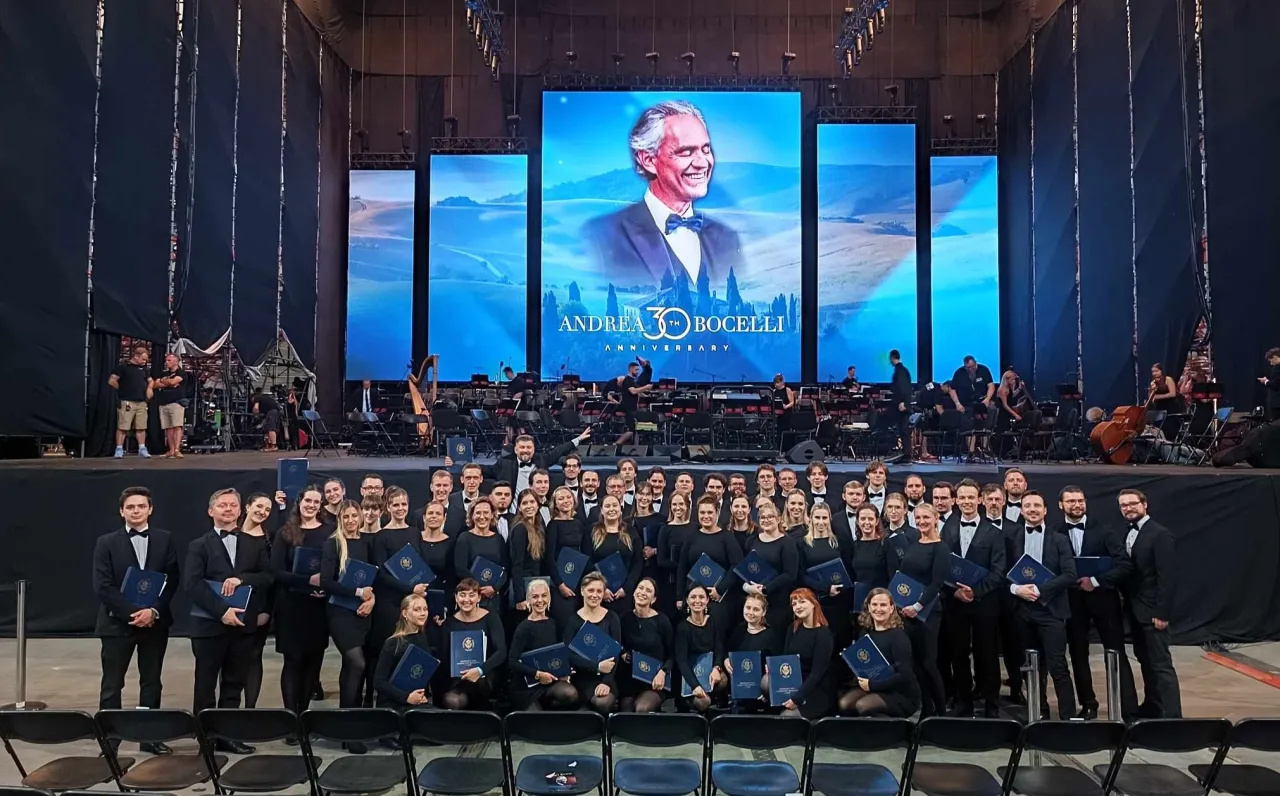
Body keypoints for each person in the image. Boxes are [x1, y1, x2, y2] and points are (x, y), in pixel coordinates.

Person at [583, 99, 744, 289]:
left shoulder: (727, 238)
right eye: (686, 152)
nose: (702, 163)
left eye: (706, 149)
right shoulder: (600, 236)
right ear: (648, 160)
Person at [183, 488, 272, 750]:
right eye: (222, 505)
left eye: (233, 505)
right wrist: (222, 611)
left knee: (234, 684)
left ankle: (228, 735)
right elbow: (192, 585)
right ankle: (206, 738)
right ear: (211, 511)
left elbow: (268, 577)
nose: (228, 509)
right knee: (206, 684)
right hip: (209, 626)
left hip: (243, 626)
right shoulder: (198, 545)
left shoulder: (254, 542)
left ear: (240, 510)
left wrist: (243, 579)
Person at [93, 487, 180, 753]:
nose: (136, 511)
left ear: (150, 509)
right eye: (130, 507)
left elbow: (171, 579)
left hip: (154, 622)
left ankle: (148, 736)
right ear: (122, 511)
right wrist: (132, 612)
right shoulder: (106, 542)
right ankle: (110, 739)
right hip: (116, 624)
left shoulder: (165, 539)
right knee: (112, 684)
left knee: (152, 681)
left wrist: (152, 611)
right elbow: (103, 586)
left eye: (141, 506)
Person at [1058, 486, 1138, 721]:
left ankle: (1128, 708)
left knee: (1115, 652)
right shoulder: (1055, 532)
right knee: (1078, 654)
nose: (1077, 505)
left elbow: (1124, 565)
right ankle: (1088, 704)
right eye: (1071, 501)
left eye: (1080, 500)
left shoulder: (1104, 531)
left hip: (1104, 601)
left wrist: (1096, 581)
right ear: (1061, 505)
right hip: (1072, 603)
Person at [1007, 491, 1077, 720]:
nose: (1032, 509)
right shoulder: (1012, 537)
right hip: (1022, 611)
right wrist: (1016, 589)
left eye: (1037, 505)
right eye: (1027, 505)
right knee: (1031, 666)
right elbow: (1002, 573)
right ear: (1021, 510)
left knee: (1058, 666)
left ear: (1046, 510)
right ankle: (1038, 713)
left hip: (1052, 611)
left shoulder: (1060, 540)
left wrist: (1039, 590)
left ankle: (1068, 717)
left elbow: (1069, 575)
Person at [942, 479, 1007, 718]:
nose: (967, 502)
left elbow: (999, 570)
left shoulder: (993, 533)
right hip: (955, 603)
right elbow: (941, 566)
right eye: (962, 498)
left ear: (979, 500)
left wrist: (976, 591)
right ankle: (964, 702)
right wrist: (954, 591)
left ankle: (991, 704)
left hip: (984, 603)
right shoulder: (947, 528)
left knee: (987, 654)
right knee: (958, 655)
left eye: (971, 497)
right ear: (956, 500)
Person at [270, 486, 330, 728]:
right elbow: (275, 571)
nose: (311, 505)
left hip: (318, 606)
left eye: (317, 502)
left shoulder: (329, 532)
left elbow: (334, 565)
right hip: (292, 606)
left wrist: (325, 585)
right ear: (300, 502)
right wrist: (307, 581)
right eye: (308, 501)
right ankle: (290, 718)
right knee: (293, 661)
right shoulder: (285, 532)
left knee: (313, 662)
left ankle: (304, 714)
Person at [1118, 488, 1181, 718]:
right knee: (1145, 660)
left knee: (1162, 665)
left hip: (1154, 612)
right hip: (1136, 611)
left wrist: (1162, 613)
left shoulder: (1159, 534)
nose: (1128, 508)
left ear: (1145, 504)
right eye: (1123, 505)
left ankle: (1173, 717)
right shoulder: (1128, 532)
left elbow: (1168, 577)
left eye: (1132, 504)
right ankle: (1153, 705)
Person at [890, 502, 949, 717]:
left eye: (926, 518)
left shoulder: (941, 548)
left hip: (928, 612)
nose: (922, 522)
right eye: (919, 518)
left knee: (928, 663)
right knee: (914, 663)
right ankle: (926, 708)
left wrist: (917, 606)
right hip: (907, 613)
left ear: (935, 519)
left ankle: (940, 712)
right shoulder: (914, 542)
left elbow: (936, 583)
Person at [321, 501, 376, 730]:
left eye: (355, 516)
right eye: (347, 516)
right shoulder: (333, 544)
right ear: (340, 519)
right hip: (341, 614)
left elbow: (375, 578)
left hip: (363, 612)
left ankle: (350, 720)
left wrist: (371, 600)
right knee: (357, 663)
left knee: (351, 668)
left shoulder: (367, 542)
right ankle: (348, 726)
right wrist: (357, 592)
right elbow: (326, 582)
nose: (351, 520)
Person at [838, 588, 919, 717]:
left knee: (862, 706)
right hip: (873, 686)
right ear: (868, 607)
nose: (878, 609)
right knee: (844, 704)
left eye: (883, 605)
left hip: (900, 693)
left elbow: (904, 675)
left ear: (892, 608)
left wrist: (872, 685)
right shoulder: (865, 633)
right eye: (874, 604)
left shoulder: (898, 637)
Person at [433, 578, 506, 710]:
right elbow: (443, 657)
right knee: (452, 698)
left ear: (479, 598)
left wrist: (480, 670)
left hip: (485, 673)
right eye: (462, 595)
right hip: (457, 677)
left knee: (476, 687)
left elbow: (501, 651)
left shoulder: (491, 617)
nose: (467, 600)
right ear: (456, 598)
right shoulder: (448, 624)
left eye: (472, 595)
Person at [508, 578, 579, 711]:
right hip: (526, 686)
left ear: (549, 598)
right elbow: (512, 662)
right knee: (536, 722)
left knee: (570, 694)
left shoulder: (553, 622)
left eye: (544, 595)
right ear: (528, 600)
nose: (540, 600)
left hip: (549, 680)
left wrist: (564, 673)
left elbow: (558, 653)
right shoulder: (523, 627)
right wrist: (537, 674)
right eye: (535, 597)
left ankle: (548, 707)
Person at [448, 433, 589, 497]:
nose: (525, 451)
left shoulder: (542, 460)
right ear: (516, 449)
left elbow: (559, 451)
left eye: (528, 448)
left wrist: (578, 439)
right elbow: (481, 469)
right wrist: (456, 463)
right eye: (522, 448)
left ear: (533, 450)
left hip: (539, 512)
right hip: (514, 514)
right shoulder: (505, 463)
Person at [677, 495, 744, 627]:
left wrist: (719, 589)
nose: (706, 516)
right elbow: (682, 567)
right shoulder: (691, 537)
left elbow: (737, 565)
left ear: (717, 513)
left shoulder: (727, 537)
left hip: (718, 598)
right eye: (702, 512)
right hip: (693, 598)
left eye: (710, 512)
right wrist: (680, 596)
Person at [564, 572, 623, 713]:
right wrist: (596, 666)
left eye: (599, 591)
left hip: (606, 677)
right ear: (582, 591)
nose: (594, 595)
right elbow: (568, 654)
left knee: (604, 702)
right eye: (590, 590)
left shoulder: (612, 617)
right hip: (582, 677)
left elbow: (616, 654)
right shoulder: (573, 620)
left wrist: (606, 682)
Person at [239, 493, 277, 708]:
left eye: (267, 509)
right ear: (247, 507)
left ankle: (250, 709)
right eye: (259, 506)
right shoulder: (232, 535)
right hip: (233, 608)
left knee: (254, 656)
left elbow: (271, 578)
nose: (262, 512)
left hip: (259, 608)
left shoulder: (268, 539)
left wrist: (265, 610)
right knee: (232, 660)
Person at [373, 593, 436, 712]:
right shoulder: (393, 643)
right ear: (405, 613)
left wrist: (422, 696)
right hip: (394, 704)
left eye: (425, 609)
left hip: (416, 701)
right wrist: (406, 697)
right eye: (417, 610)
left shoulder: (422, 637)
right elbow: (379, 682)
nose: (423, 613)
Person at [621, 577, 674, 713]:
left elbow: (673, 654)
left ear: (654, 599)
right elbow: (619, 644)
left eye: (648, 590)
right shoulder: (625, 618)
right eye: (640, 588)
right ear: (633, 593)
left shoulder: (662, 621)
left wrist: (663, 672)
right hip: (630, 680)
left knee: (641, 708)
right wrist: (623, 653)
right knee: (625, 713)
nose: (643, 592)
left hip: (655, 680)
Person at [779, 588, 834, 718]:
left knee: (787, 716)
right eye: (794, 604)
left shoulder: (824, 634)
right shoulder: (793, 628)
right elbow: (785, 660)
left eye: (802, 602)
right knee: (765, 682)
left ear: (814, 604)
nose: (798, 607)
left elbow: (817, 673)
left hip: (815, 689)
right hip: (793, 683)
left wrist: (796, 699)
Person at [584, 495, 643, 615]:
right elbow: (587, 561)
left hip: (625, 593)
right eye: (607, 506)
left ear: (620, 508)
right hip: (599, 594)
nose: (611, 509)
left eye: (615, 505)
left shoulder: (630, 531)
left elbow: (638, 562)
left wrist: (626, 588)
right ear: (601, 510)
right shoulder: (592, 531)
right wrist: (602, 588)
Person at [723, 593, 782, 711]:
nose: (750, 612)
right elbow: (727, 651)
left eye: (756, 609)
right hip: (739, 688)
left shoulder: (770, 635)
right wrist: (725, 660)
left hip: (761, 693)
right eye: (748, 608)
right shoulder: (739, 629)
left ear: (763, 612)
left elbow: (777, 664)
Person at [675, 584, 726, 713]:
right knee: (704, 702)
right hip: (689, 677)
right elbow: (681, 661)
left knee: (723, 679)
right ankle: (686, 703)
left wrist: (717, 667)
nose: (697, 601)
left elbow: (719, 648)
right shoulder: (683, 627)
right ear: (687, 600)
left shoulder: (713, 621)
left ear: (707, 600)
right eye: (693, 597)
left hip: (708, 672)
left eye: (701, 597)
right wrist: (695, 685)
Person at [453, 497, 510, 610]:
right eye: (478, 513)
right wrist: (479, 588)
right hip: (470, 596)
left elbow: (505, 569)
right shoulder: (464, 538)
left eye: (486, 512)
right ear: (472, 516)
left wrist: (494, 588)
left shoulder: (498, 539)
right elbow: (460, 569)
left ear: (492, 515)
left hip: (493, 597)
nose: (482, 517)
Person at [509, 489, 550, 615]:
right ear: (519, 507)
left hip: (536, 583)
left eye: (532, 502)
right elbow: (517, 565)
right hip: (525, 587)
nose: (529, 506)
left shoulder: (539, 527)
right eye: (524, 503)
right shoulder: (520, 529)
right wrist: (520, 597)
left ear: (538, 505)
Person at [109, 343, 153, 458]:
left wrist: (149, 388)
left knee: (141, 427)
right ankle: (119, 449)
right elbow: (112, 380)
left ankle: (142, 448)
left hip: (141, 402)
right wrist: (122, 389)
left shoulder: (143, 369)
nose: (145, 361)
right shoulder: (123, 366)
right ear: (136, 356)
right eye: (143, 359)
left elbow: (151, 381)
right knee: (123, 426)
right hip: (127, 401)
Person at [612, 357, 654, 445]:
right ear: (631, 369)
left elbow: (637, 391)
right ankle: (616, 445)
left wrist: (645, 394)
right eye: (636, 370)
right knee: (632, 429)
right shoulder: (628, 380)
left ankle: (634, 445)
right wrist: (646, 387)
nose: (638, 371)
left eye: (639, 370)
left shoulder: (633, 380)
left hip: (633, 407)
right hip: (628, 407)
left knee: (636, 428)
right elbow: (633, 391)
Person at [153, 353, 186, 458]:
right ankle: (171, 450)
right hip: (163, 402)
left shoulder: (181, 372)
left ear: (176, 361)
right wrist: (167, 382)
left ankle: (177, 449)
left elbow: (174, 382)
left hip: (176, 402)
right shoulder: (163, 373)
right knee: (168, 428)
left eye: (169, 360)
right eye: (166, 360)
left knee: (177, 426)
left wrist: (165, 382)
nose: (166, 362)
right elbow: (155, 384)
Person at [948, 355, 996, 421]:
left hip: (982, 401)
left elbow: (991, 385)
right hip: (965, 403)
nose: (970, 369)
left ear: (975, 363)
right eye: (968, 367)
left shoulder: (984, 370)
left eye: (972, 366)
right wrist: (958, 404)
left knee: (991, 408)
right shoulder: (959, 373)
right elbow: (952, 389)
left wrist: (987, 399)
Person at [888, 350, 914, 461]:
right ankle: (905, 454)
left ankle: (907, 454)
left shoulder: (900, 371)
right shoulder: (902, 370)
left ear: (892, 358)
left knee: (903, 430)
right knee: (902, 429)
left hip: (902, 404)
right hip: (901, 403)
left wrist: (903, 402)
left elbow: (903, 387)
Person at [252, 388, 282, 452]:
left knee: (271, 429)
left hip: (272, 412)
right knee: (270, 428)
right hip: (277, 411)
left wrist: (255, 415)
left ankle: (273, 446)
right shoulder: (265, 398)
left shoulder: (256, 398)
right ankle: (269, 444)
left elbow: (256, 409)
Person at [1260, 348, 1280, 422]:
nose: (1271, 364)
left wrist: (1265, 381)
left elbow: (1275, 385)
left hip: (1277, 404)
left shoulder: (1278, 367)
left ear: (1275, 357)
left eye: (1271, 361)